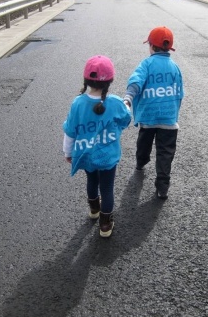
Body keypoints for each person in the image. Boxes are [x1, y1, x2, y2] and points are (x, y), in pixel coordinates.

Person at [63, 55, 131, 237]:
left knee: (92, 180)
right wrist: (126, 106)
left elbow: (70, 131)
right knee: (107, 188)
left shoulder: (77, 103)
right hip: (108, 155)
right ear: (110, 80)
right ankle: (105, 224)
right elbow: (126, 118)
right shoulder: (115, 102)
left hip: (86, 153)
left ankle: (94, 209)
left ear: (86, 80)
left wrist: (68, 152)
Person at [123, 27, 184, 200]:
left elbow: (136, 81)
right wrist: (174, 112)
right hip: (169, 119)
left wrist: (128, 98)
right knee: (165, 152)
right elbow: (179, 93)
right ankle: (162, 187)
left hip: (148, 117)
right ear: (168, 48)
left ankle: (141, 163)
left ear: (151, 46)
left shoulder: (146, 64)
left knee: (144, 143)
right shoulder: (175, 67)